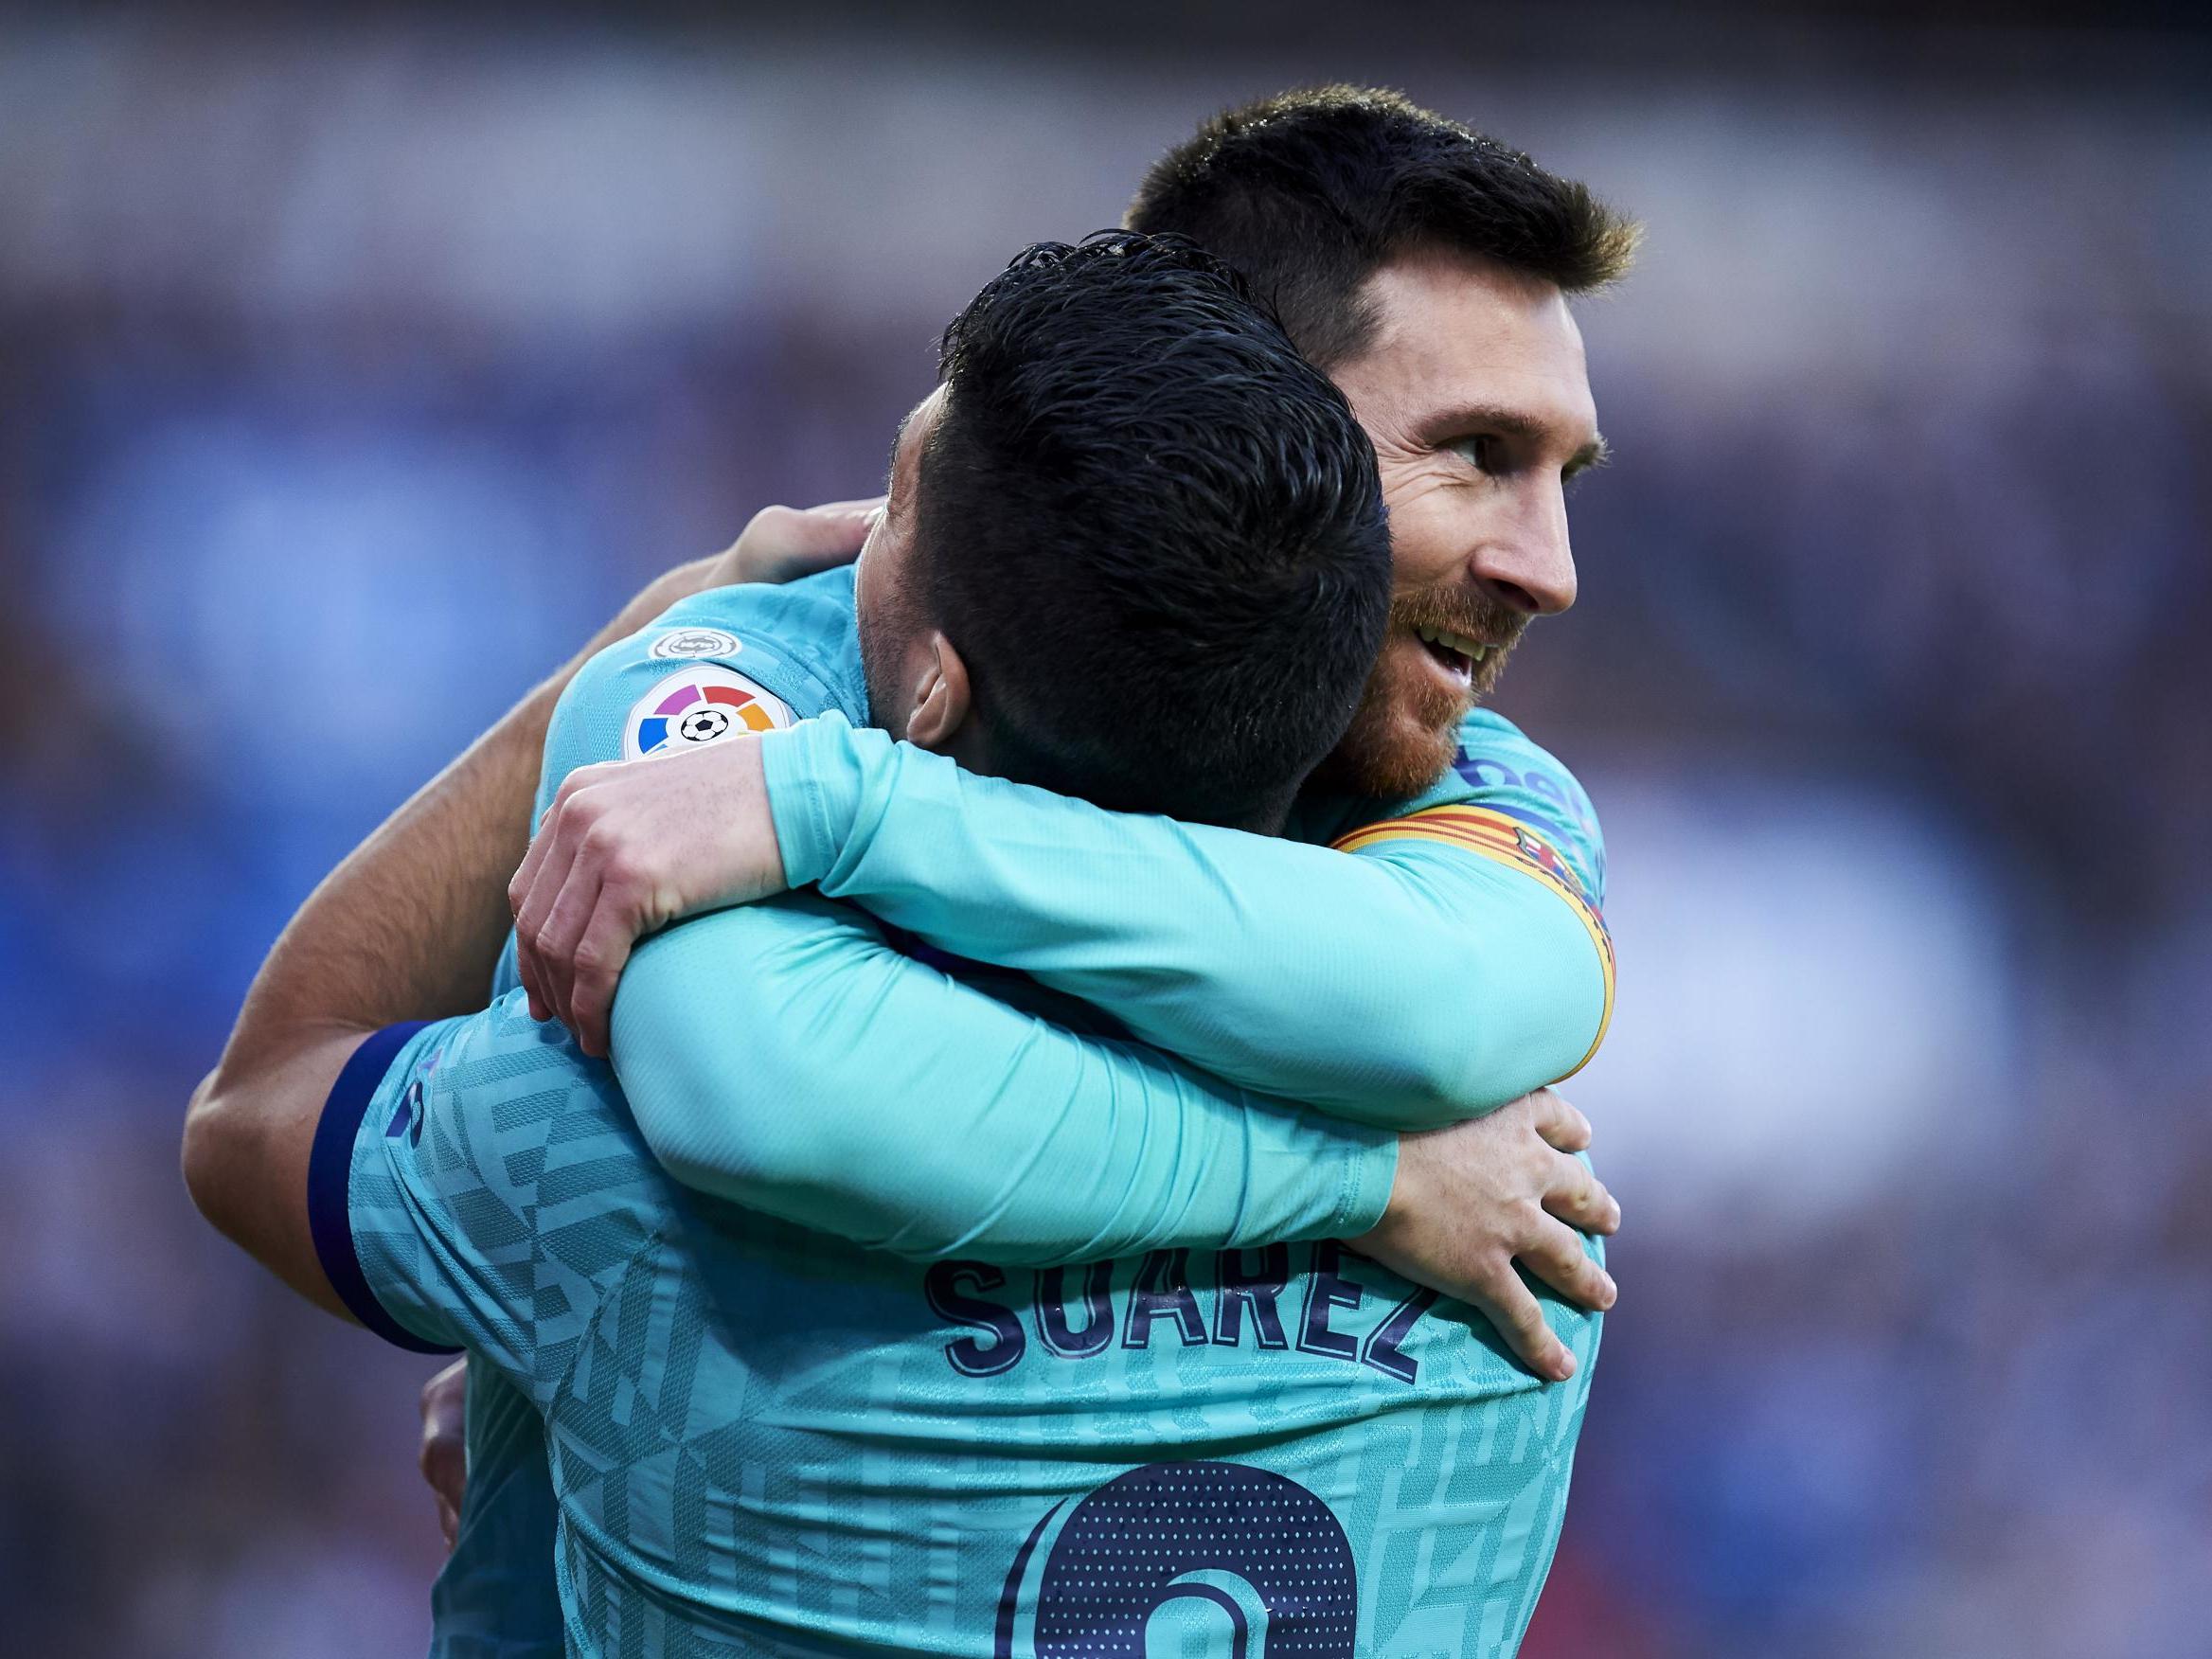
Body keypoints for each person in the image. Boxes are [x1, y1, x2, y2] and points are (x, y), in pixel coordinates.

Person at [187, 231, 1619, 1652]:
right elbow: (1451, 996)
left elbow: (261, 1112)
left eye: (899, 502)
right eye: (1480, 453)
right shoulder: (1526, 1209)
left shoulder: (612, 1156)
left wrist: (683, 662)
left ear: (932, 695)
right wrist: (1365, 1175)